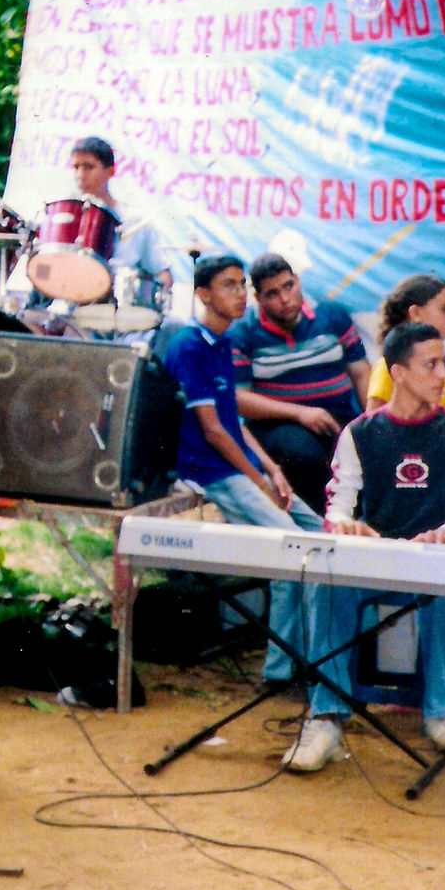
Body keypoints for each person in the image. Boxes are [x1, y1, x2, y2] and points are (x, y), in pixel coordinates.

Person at [283, 322, 445, 772]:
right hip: (372, 565)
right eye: (431, 365)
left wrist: (444, 534)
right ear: (399, 372)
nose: (443, 376)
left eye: (444, 363)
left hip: (430, 563)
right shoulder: (359, 432)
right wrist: (347, 527)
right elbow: (336, 508)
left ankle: (439, 709)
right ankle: (327, 718)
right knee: (327, 584)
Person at [161, 254, 325, 687]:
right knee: (291, 555)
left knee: (325, 537)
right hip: (213, 473)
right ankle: (280, 672)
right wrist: (258, 481)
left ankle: (315, 657)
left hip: (244, 468)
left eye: (240, 285)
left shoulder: (222, 343)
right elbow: (214, 432)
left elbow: (234, 420)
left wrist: (273, 470)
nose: (239, 295)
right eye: (229, 285)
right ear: (203, 294)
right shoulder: (188, 345)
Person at [227, 252, 370, 512]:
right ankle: (318, 530)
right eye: (272, 294)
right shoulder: (243, 331)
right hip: (277, 423)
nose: (284, 299)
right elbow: (239, 399)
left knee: (363, 453)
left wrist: (374, 420)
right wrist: (300, 413)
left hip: (336, 414)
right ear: (258, 299)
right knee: (304, 457)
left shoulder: (333, 316)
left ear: (298, 282)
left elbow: (361, 372)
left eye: (288, 286)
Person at [69, 135, 173, 289]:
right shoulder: (67, 218)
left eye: (89, 167)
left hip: (116, 308)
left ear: (110, 171)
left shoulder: (134, 221)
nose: (80, 176)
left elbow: (163, 274)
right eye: (76, 167)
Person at [365, 274, 445, 411]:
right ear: (415, 313)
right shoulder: (389, 369)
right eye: (443, 310)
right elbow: (374, 426)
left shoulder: (442, 365)